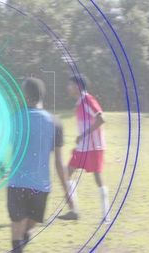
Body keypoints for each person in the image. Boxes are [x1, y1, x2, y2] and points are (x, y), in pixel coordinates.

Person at [7, 78, 74, 253]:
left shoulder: (15, 119)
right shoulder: (55, 122)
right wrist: (67, 191)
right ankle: (18, 247)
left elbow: (4, 148)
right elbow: (59, 162)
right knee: (24, 225)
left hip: (17, 183)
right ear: (41, 96)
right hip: (40, 186)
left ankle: (18, 246)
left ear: (25, 95)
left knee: (21, 227)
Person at [58, 75, 109, 223]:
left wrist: (84, 135)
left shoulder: (88, 100)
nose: (68, 88)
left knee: (98, 178)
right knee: (66, 174)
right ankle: (74, 211)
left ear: (78, 87)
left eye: (70, 85)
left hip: (94, 147)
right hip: (82, 148)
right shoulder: (79, 102)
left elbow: (101, 119)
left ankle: (106, 215)